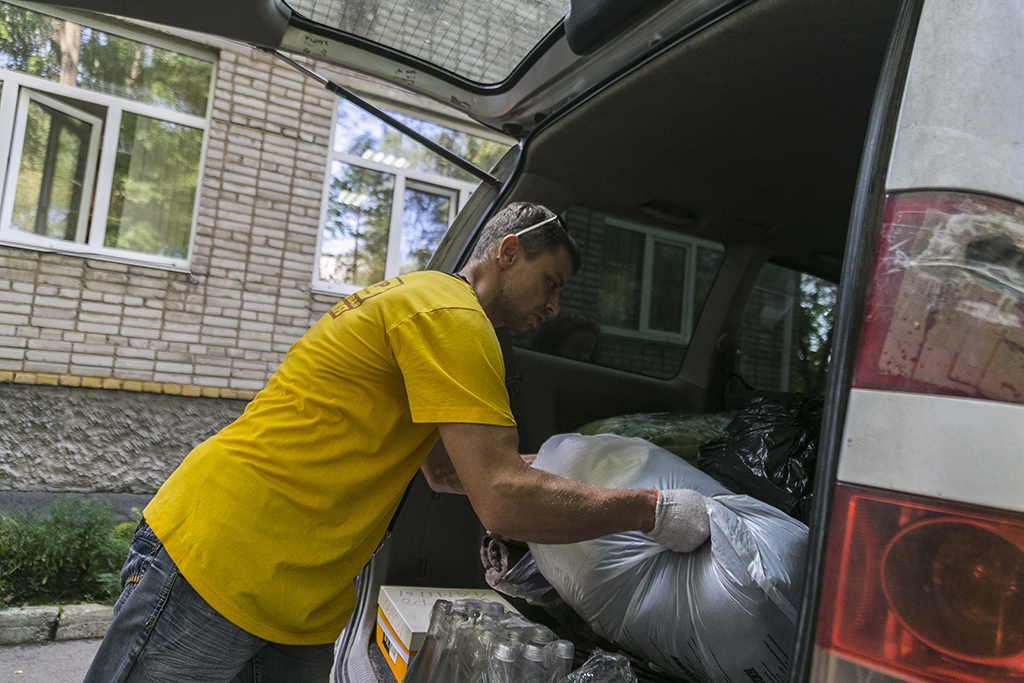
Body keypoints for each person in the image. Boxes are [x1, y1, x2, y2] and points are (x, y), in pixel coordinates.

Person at [83, 202, 711, 683]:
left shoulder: (424, 300)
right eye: (551, 282)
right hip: (222, 557)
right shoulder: (455, 318)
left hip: (298, 596)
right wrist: (650, 511)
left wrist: (558, 471)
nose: (554, 305)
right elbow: (501, 500)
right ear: (509, 253)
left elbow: (446, 471)